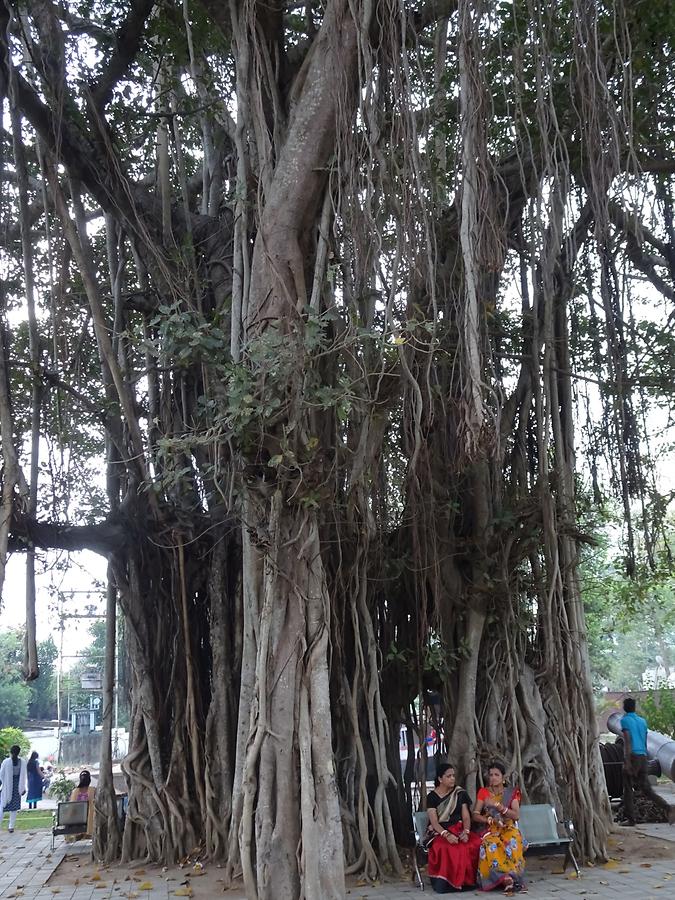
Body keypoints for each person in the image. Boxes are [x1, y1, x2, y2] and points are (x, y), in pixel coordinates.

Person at [423, 763, 480, 893]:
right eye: (449, 776)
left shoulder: (460, 793)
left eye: (453, 776)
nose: (453, 778)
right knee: (447, 848)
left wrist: (466, 832)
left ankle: (470, 881)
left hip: (459, 829)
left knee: (475, 843)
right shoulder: (432, 797)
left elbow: (466, 817)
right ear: (440, 779)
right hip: (439, 832)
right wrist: (446, 835)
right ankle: (448, 884)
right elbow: (434, 822)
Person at [472, 762, 527, 894]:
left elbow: (516, 815)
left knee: (512, 841)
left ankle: (513, 877)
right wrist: (488, 819)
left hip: (508, 827)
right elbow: (475, 815)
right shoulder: (483, 792)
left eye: (497, 775)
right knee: (490, 844)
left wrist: (499, 806)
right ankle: (505, 879)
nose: (493, 778)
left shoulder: (511, 793)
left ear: (503, 777)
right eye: (491, 775)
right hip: (491, 829)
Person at [620, 697, 675, 826]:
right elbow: (644, 740)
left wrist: (627, 761)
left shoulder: (625, 720)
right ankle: (668, 807)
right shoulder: (642, 721)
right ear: (634, 707)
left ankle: (631, 820)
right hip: (643, 756)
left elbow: (628, 741)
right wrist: (643, 757)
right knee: (647, 789)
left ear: (624, 708)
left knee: (627, 788)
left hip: (632, 756)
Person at [0, 745, 27, 832]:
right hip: (17, 786)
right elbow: (23, 776)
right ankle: (11, 826)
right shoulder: (22, 762)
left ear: (10, 752)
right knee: (14, 808)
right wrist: (22, 787)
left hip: (7, 786)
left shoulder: (6, 762)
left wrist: (4, 782)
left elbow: (1, 775)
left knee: (3, 807)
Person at [69, 770, 96, 839]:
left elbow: (72, 806)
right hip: (89, 817)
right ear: (89, 780)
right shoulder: (93, 790)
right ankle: (88, 833)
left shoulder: (75, 791)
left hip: (76, 817)